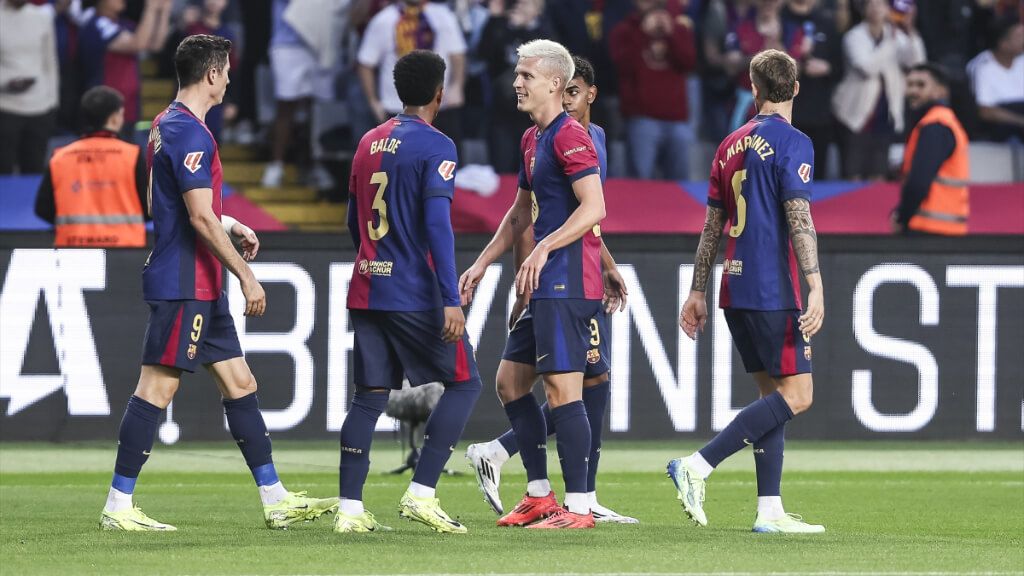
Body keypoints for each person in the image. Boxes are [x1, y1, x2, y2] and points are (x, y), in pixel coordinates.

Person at [98, 34, 337, 532]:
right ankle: (118, 505)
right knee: (156, 390)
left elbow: (165, 204)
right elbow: (199, 219)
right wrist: (247, 275)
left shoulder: (164, 125)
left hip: (199, 281)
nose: (230, 79)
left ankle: (275, 500)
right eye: (226, 70)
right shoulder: (191, 133)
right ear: (212, 74)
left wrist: (229, 224)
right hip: (185, 283)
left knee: (240, 382)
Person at [464, 56, 635, 525]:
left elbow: (593, 207)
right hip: (545, 281)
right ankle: (539, 493)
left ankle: (578, 506)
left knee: (565, 391)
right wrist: (482, 263)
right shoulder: (532, 138)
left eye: (526, 76)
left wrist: (544, 249)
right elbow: (520, 214)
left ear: (555, 85)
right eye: (517, 74)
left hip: (568, 279)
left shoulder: (571, 134)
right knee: (511, 383)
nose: (516, 83)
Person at [669, 48, 826, 534]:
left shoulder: (728, 144)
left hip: (733, 288)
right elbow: (799, 219)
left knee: (771, 400)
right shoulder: (794, 142)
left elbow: (712, 223)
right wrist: (816, 284)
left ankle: (770, 511)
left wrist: (698, 288)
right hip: (772, 287)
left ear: (753, 89)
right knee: (799, 395)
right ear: (797, 89)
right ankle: (698, 464)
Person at [337, 49, 482, 534]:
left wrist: (372, 260)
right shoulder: (437, 146)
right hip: (413, 293)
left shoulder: (367, 142)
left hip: (367, 285)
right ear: (440, 93)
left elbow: (352, 221)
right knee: (465, 383)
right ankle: (422, 493)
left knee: (369, 396)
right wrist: (450, 298)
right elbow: (439, 228)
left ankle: (350, 511)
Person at [35, 86, 148, 247]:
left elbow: (43, 208)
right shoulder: (132, 155)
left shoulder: (60, 157)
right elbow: (150, 207)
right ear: (115, 118)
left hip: (72, 247)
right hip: (126, 248)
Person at [831, 0, 925, 180]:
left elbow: (917, 63)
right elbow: (867, 67)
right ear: (863, 9)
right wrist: (891, 41)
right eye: (871, 5)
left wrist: (910, 32)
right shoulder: (854, 36)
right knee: (853, 174)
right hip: (856, 115)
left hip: (885, 112)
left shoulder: (896, 34)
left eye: (881, 4)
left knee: (879, 174)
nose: (876, 9)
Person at [356, 0, 467, 150]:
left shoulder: (443, 15)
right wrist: (373, 102)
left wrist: (457, 86)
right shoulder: (384, 20)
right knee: (398, 169)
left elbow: (457, 54)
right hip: (397, 110)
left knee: (447, 168)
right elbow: (365, 63)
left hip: (440, 109)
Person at [609, 0, 697, 180]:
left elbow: (688, 63)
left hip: (676, 119)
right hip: (641, 118)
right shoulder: (624, 30)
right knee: (640, 182)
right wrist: (643, 33)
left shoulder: (678, 29)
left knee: (679, 184)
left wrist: (671, 34)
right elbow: (623, 66)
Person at [891, 63, 969, 236]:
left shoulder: (935, 126)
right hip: (944, 228)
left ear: (941, 91)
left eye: (921, 85)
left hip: (930, 231)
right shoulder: (941, 122)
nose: (913, 91)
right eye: (910, 85)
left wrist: (901, 216)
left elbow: (919, 181)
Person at [79, 0, 173, 131]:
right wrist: (150, 8)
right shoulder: (98, 23)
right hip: (105, 108)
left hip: (128, 105)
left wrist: (163, 10)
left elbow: (155, 45)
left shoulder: (123, 24)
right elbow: (136, 44)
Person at [0, 0, 60, 175]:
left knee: (34, 169)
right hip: (5, 107)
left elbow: (50, 61)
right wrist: (6, 82)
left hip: (40, 107)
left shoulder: (42, 16)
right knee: (3, 170)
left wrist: (53, 102)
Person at [968, 18, 1024, 142]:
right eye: (1019, 36)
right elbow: (985, 111)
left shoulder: (1022, 61)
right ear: (1003, 43)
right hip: (1002, 130)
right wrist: (1020, 121)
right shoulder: (982, 66)